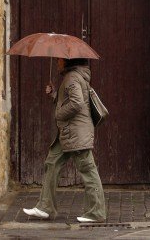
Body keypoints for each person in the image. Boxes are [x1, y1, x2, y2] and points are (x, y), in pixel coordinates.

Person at [23, 58, 106, 223]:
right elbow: (68, 100)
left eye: (61, 59)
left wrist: (58, 114)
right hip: (69, 133)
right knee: (52, 163)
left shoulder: (72, 77)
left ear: (69, 61)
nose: (59, 61)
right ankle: (45, 207)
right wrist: (55, 94)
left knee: (88, 169)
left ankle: (96, 213)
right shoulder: (73, 77)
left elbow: (76, 103)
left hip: (76, 132)